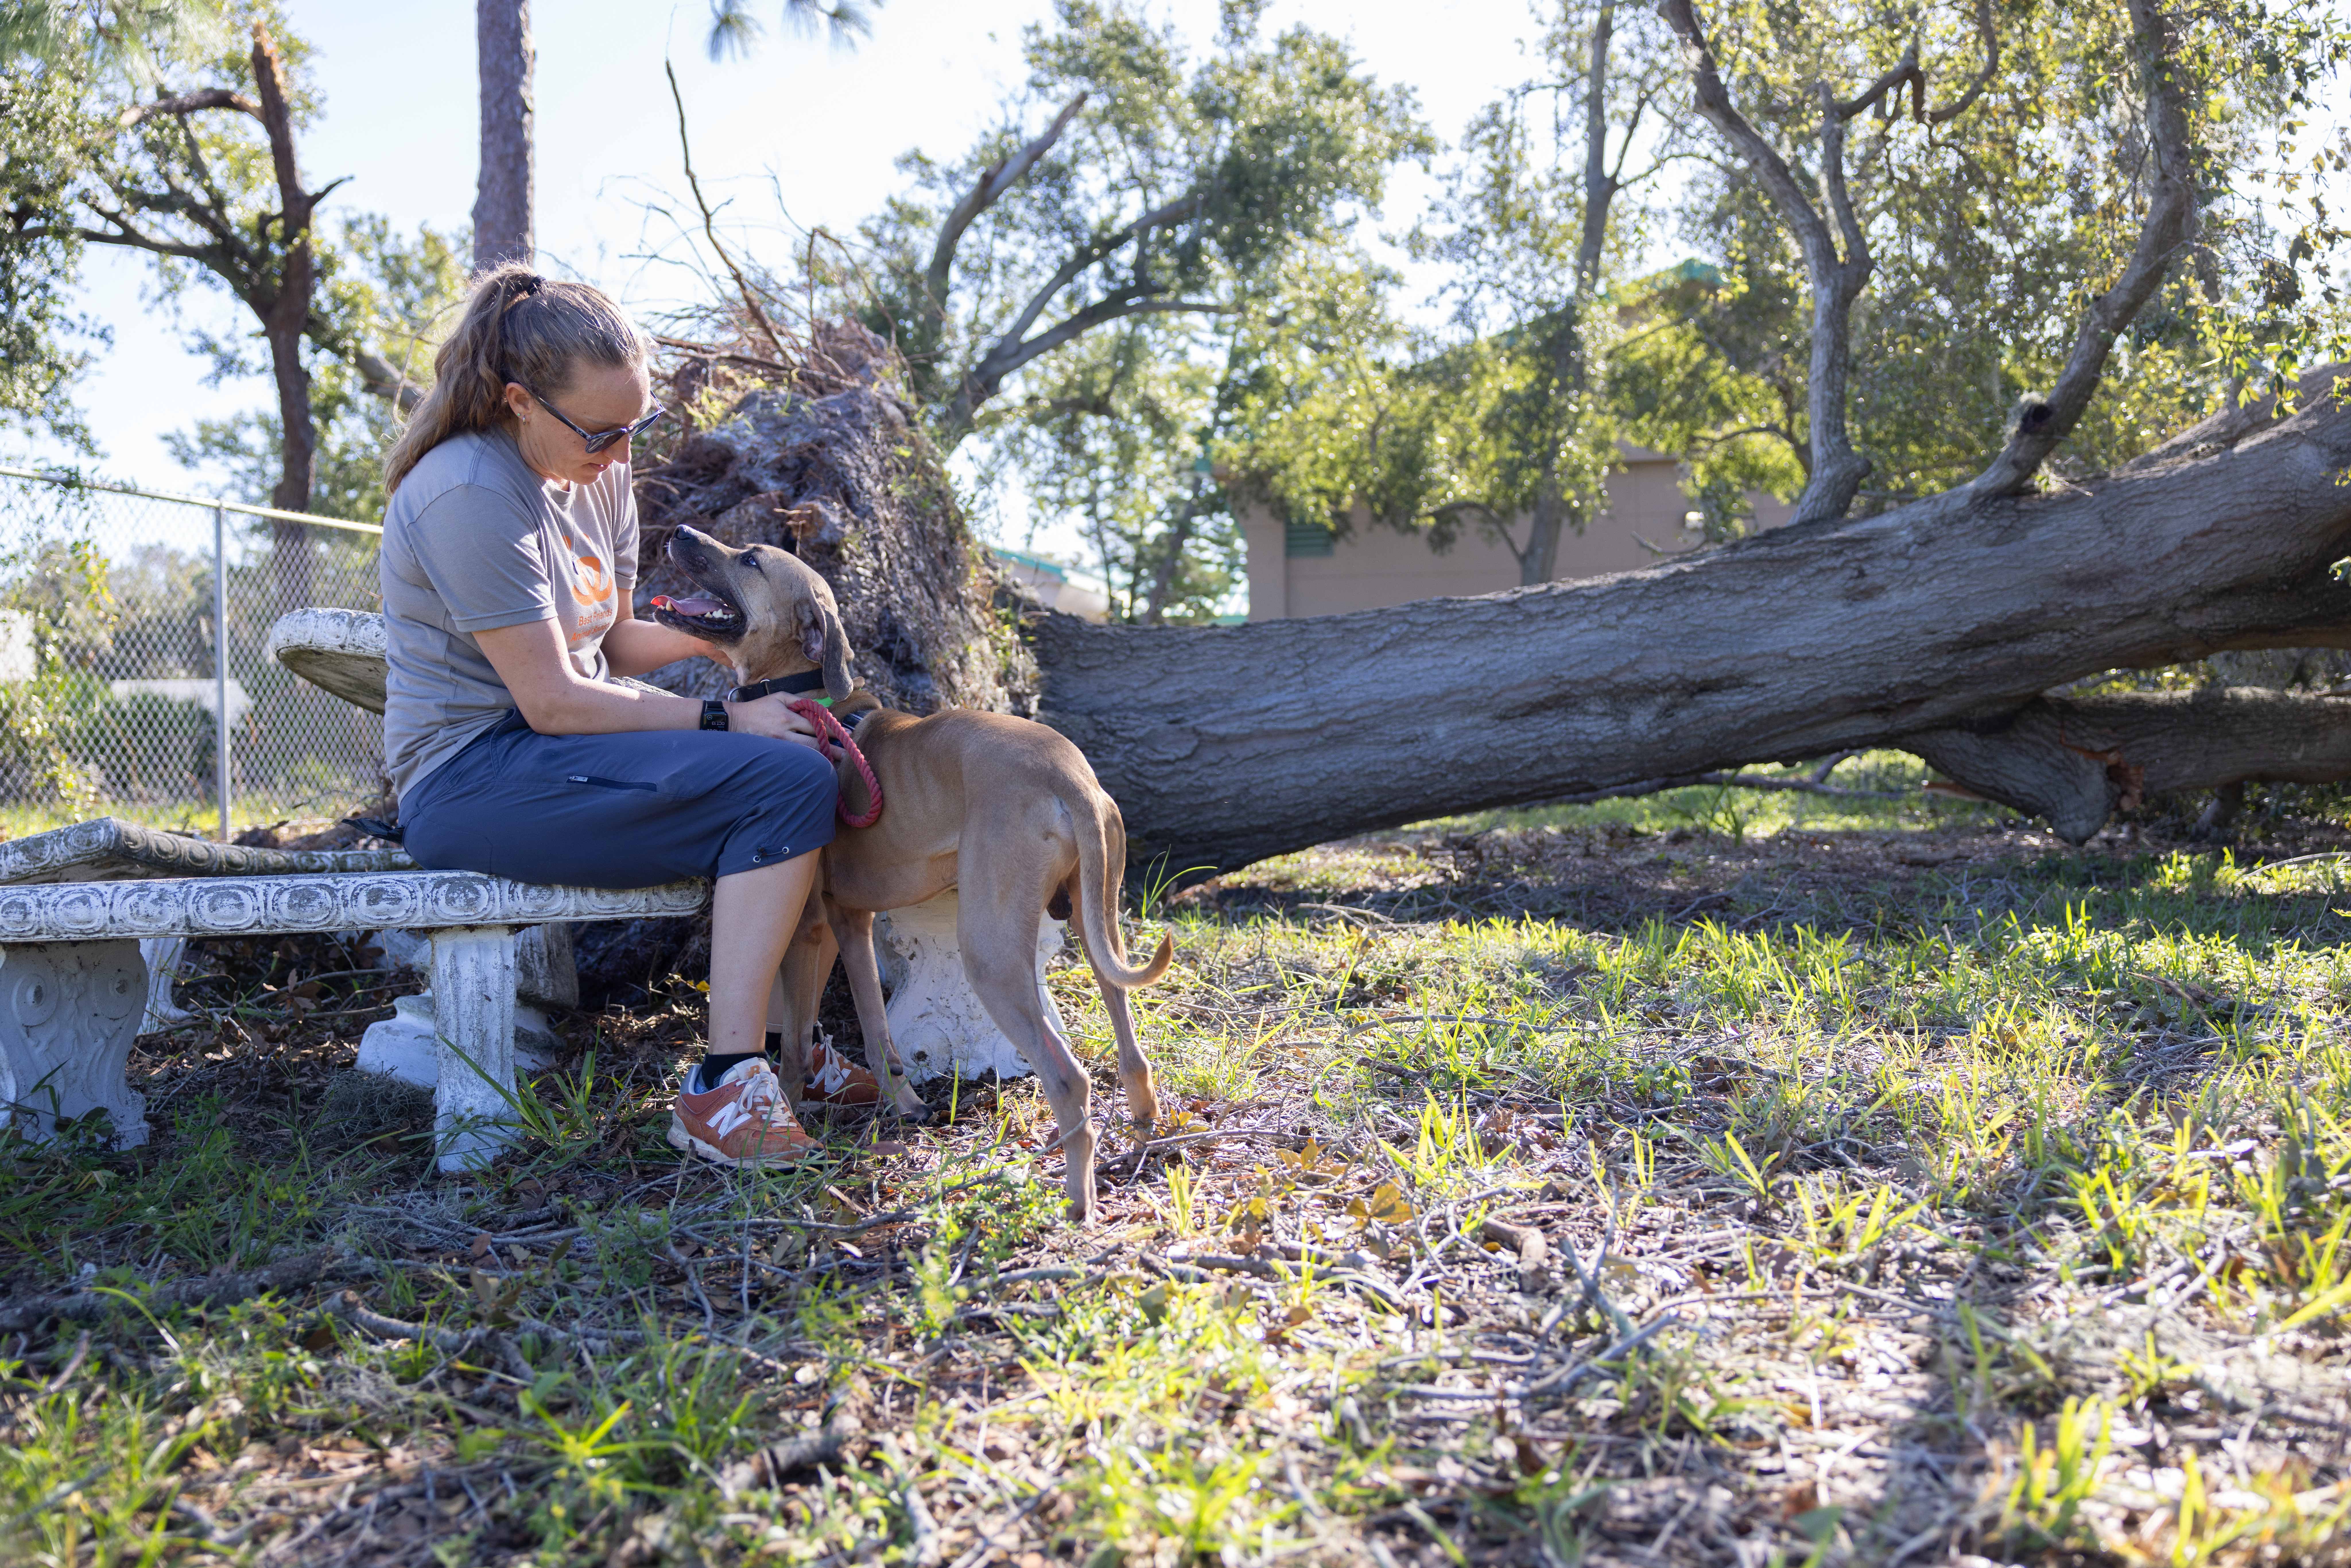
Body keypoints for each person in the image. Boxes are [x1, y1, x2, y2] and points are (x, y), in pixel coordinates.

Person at [377, 263, 870, 1166]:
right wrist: (725, 725)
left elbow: (611, 638)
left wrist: (724, 646)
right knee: (784, 780)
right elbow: (556, 698)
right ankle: (729, 1083)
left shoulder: (599, 466)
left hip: (561, 753)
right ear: (520, 402)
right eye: (602, 432)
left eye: (635, 427)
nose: (620, 453)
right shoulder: (470, 495)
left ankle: (788, 1052)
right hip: (474, 779)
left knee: (801, 769)